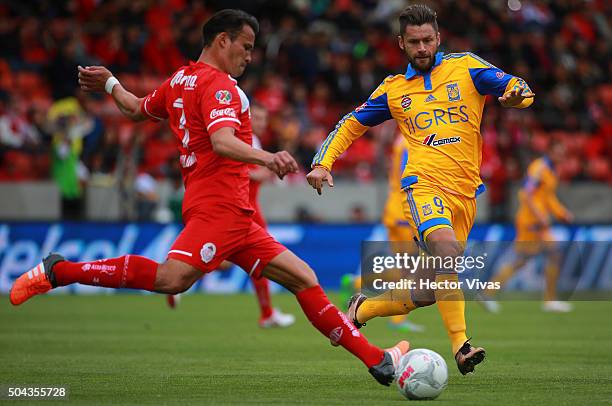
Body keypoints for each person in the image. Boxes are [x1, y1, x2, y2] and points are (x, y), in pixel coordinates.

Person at [9, 9, 407, 386]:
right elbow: (222, 141)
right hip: (219, 209)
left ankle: (378, 360)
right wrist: (268, 157)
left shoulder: (180, 80)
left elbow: (134, 109)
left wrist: (111, 82)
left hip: (232, 212)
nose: (249, 57)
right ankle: (58, 271)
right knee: (171, 279)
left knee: (303, 278)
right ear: (222, 40)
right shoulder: (219, 86)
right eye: (246, 47)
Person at [307, 4, 534, 375]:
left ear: (438, 38)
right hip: (422, 186)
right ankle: (461, 346)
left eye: (428, 40)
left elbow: (517, 86)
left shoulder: (467, 67)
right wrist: (322, 161)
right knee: (446, 251)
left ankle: (361, 309)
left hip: (465, 194)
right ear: (402, 44)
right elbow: (351, 123)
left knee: (427, 291)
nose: (422, 48)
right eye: (414, 42)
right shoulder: (395, 90)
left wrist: (516, 97)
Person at [166, 103, 296, 328]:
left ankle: (175, 275)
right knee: (259, 261)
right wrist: (268, 170)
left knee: (226, 261)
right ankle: (267, 313)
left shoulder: (253, 140)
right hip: (243, 209)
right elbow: (243, 172)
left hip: (249, 207)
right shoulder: (242, 140)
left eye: (264, 118)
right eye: (256, 116)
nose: (260, 122)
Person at [339, 134, 425, 333]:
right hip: (405, 211)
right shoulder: (410, 142)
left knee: (406, 269)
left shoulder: (402, 140)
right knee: (411, 271)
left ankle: (356, 282)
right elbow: (408, 176)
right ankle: (398, 320)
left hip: (395, 209)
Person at [481, 144, 574, 313]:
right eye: (558, 152)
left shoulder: (551, 170)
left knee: (526, 260)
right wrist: (540, 215)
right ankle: (549, 300)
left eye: (563, 153)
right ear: (550, 152)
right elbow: (526, 194)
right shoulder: (539, 168)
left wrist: (561, 213)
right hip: (531, 223)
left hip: (538, 223)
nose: (561, 156)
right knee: (528, 258)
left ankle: (488, 293)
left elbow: (548, 197)